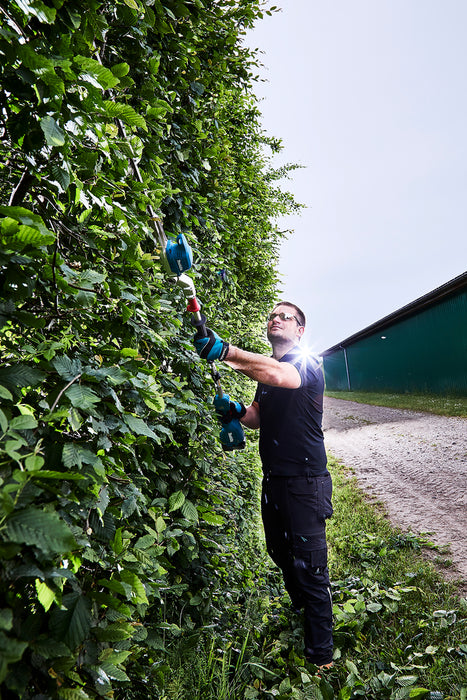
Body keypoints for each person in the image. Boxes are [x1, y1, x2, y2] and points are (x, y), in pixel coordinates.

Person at [193, 301, 334, 669]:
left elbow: (277, 374)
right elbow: (258, 415)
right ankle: (302, 610)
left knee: (310, 566)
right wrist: (237, 410)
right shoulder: (269, 376)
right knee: (279, 552)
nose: (275, 318)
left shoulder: (306, 363)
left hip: (305, 482)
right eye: (272, 314)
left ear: (300, 330)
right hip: (274, 479)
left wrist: (226, 352)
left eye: (284, 316)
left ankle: (322, 659)